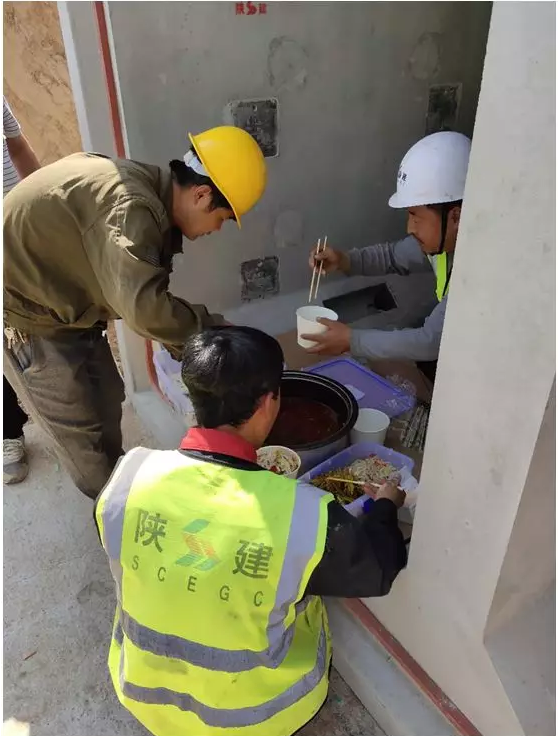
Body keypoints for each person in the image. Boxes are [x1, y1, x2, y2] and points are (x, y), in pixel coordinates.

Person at [95, 326, 407, 736]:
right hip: (258, 716)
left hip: (145, 693)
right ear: (268, 401)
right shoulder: (304, 514)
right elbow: (379, 568)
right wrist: (386, 505)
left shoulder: (129, 477)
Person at [3, 126, 266, 499]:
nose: (217, 229)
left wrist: (191, 342)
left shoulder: (147, 194)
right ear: (202, 194)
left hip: (68, 304)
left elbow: (144, 292)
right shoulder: (132, 208)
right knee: (84, 443)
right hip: (27, 314)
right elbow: (145, 310)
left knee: (108, 398)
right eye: (222, 218)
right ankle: (114, 511)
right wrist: (213, 333)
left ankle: (117, 485)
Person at [305, 131, 471, 382]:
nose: (409, 227)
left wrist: (352, 340)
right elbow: (393, 256)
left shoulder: (478, 270)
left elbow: (430, 341)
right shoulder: (446, 244)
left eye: (416, 216)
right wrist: (344, 260)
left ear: (456, 217)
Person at [3, 96, 41, 484]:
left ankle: (77, 425)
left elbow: (16, 146)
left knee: (46, 322)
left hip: (17, 227)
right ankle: (9, 431)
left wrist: (49, 201)